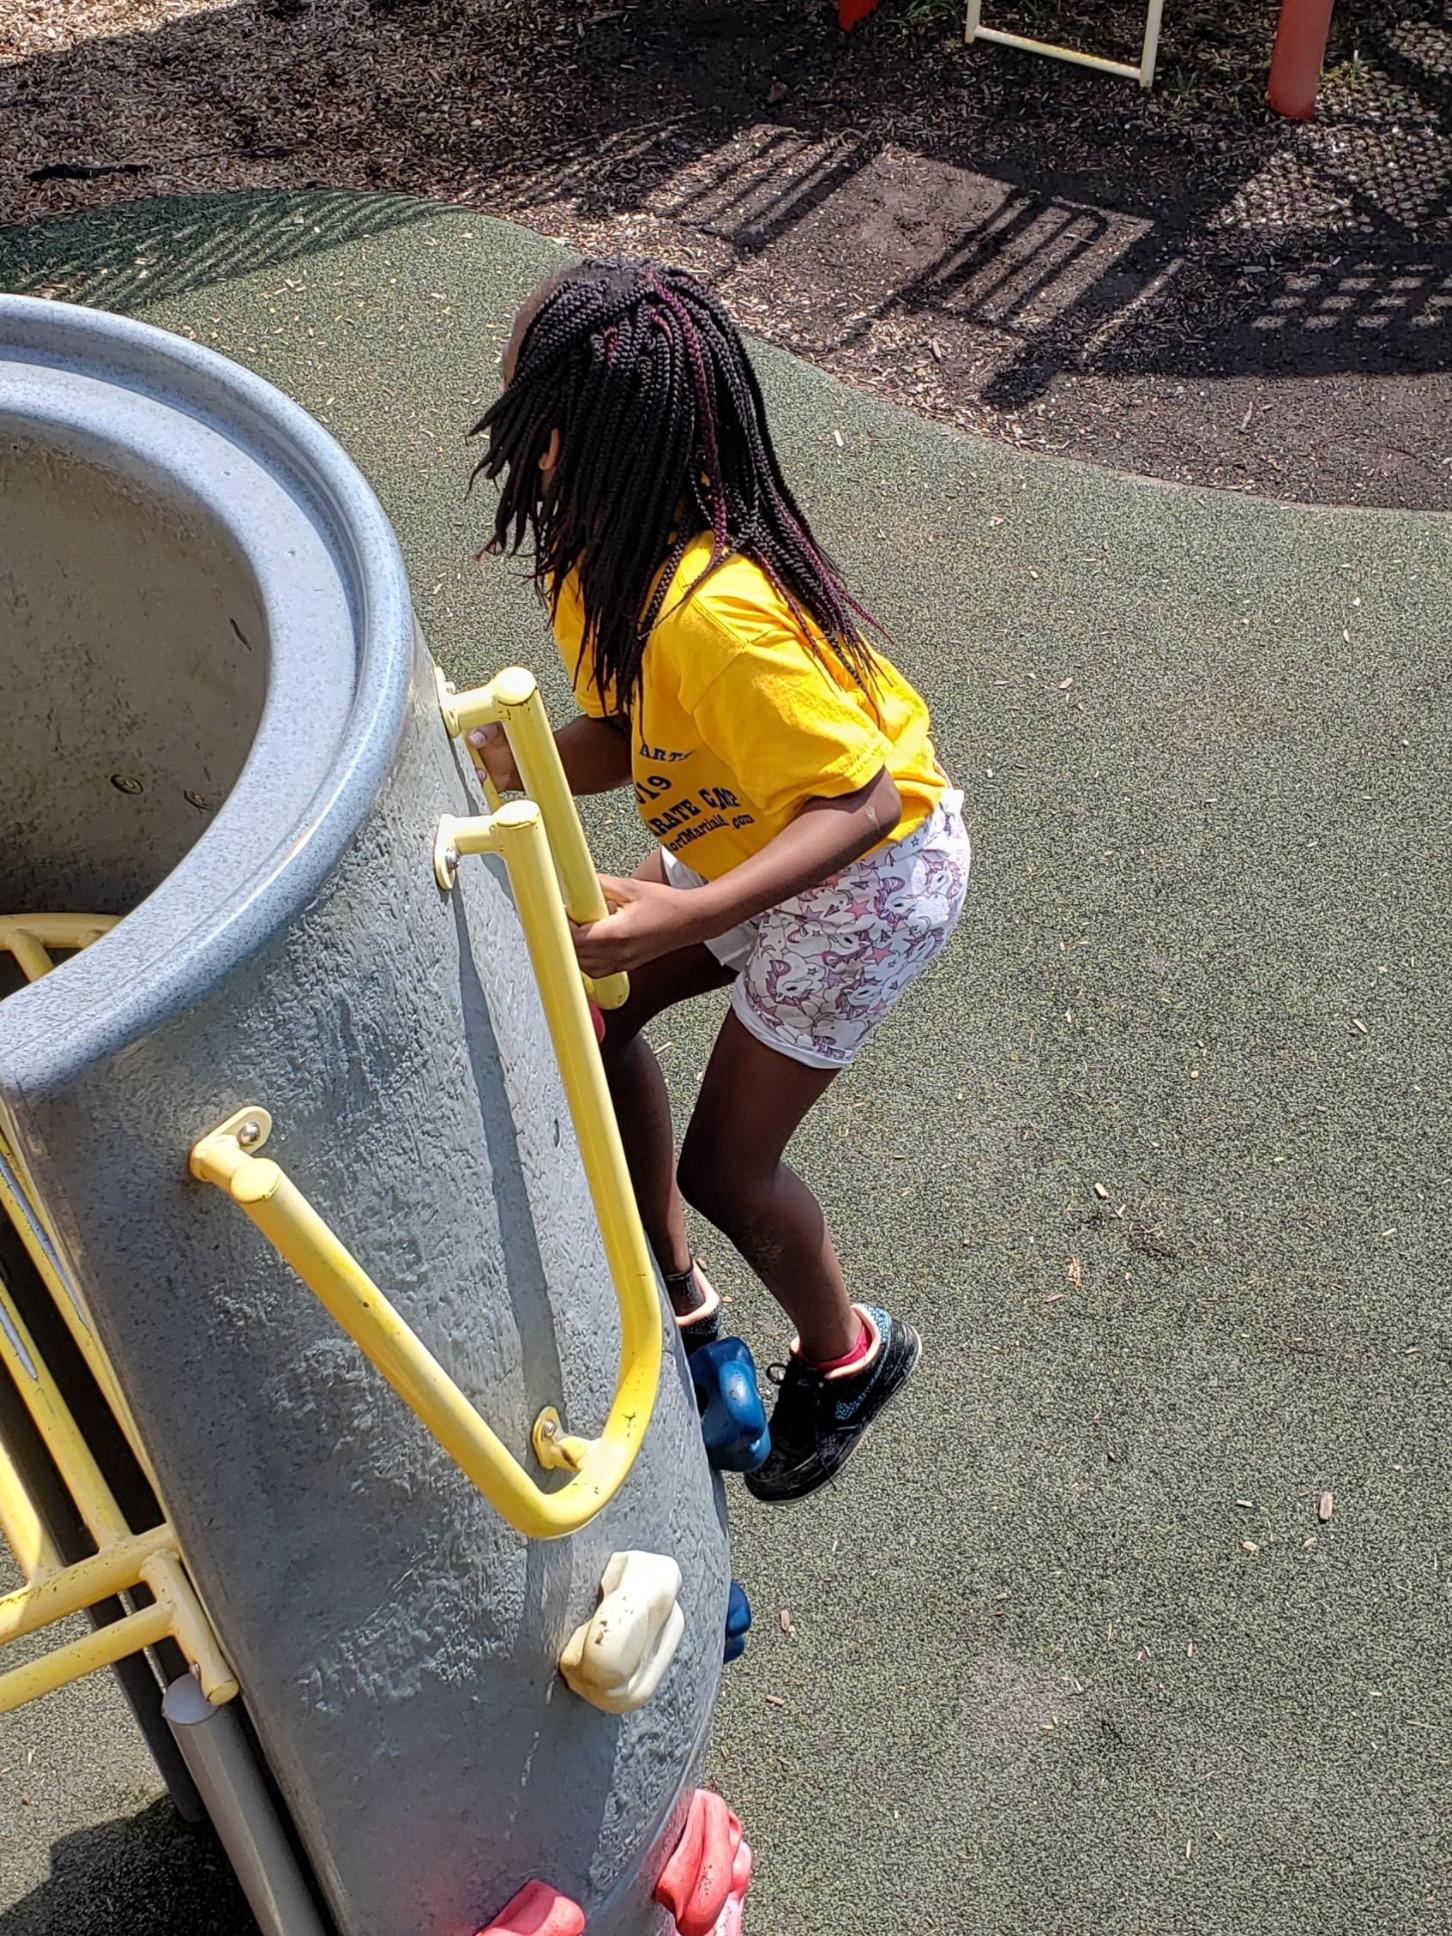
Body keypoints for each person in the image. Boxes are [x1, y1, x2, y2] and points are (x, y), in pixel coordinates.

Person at [468, 259, 970, 1502]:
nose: (507, 419)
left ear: (585, 441)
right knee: (593, 1012)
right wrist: (506, 756)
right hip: (753, 826)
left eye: (527, 401)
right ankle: (677, 1297)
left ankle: (847, 1356)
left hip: (866, 882)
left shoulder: (717, 613)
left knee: (727, 1170)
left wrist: (688, 914)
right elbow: (629, 726)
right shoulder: (594, 559)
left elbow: (864, 803)